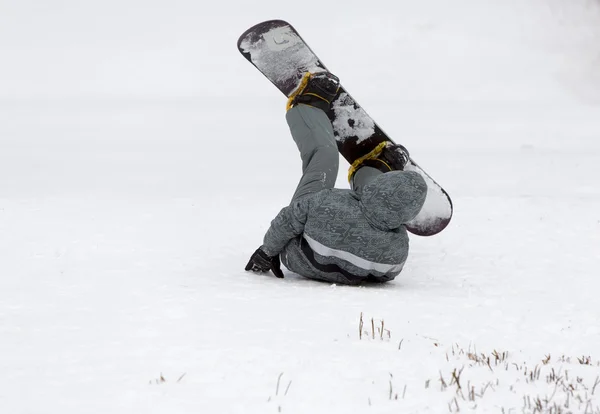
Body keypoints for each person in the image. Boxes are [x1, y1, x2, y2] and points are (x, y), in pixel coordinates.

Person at [245, 72, 427, 285]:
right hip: (334, 264)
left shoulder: (327, 203)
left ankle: (306, 107)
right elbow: (385, 276)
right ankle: (371, 168)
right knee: (378, 208)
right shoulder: (399, 247)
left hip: (294, 256)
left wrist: (266, 252)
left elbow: (288, 219)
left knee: (324, 159)